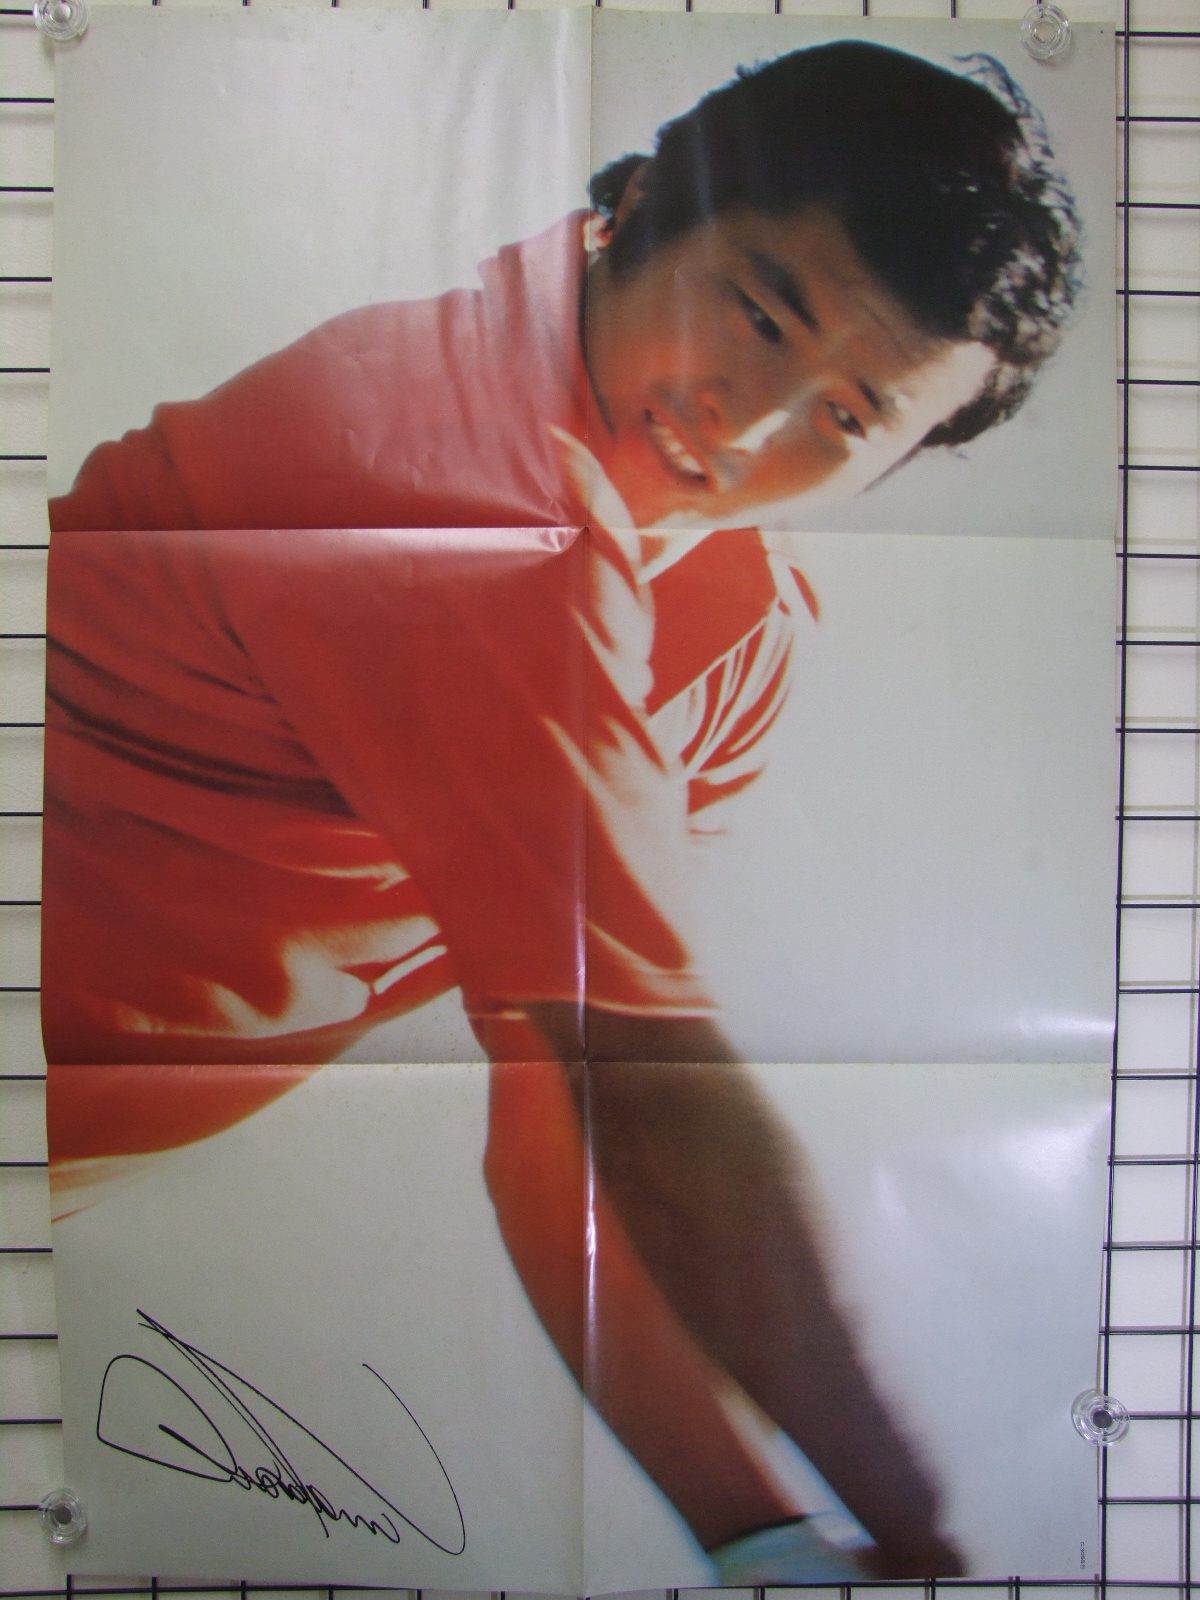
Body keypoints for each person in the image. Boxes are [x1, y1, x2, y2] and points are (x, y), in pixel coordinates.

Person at [43, 39, 1082, 1581]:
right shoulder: (453, 470)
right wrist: (936, 1539)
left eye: (850, 417)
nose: (746, 425)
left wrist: (762, 1540)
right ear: (645, 199)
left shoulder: (733, 638)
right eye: (759, 314)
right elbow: (646, 1084)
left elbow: (564, 1135)